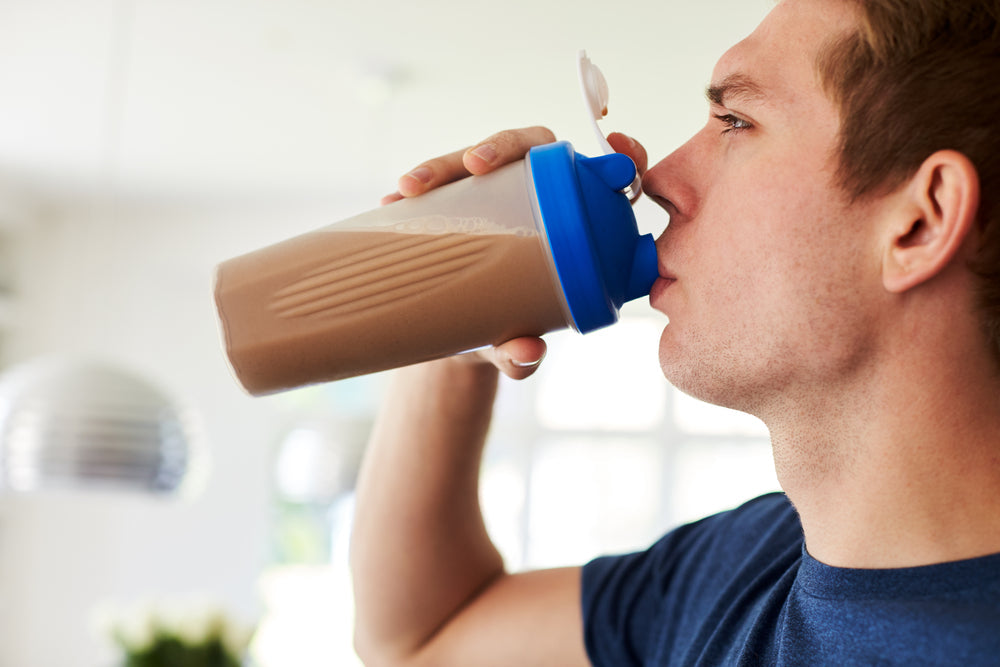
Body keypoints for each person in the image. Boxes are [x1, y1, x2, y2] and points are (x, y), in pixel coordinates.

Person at [349, 0, 1000, 664]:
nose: (656, 178)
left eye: (737, 121)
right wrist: (459, 324)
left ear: (922, 222)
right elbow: (421, 637)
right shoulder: (741, 565)